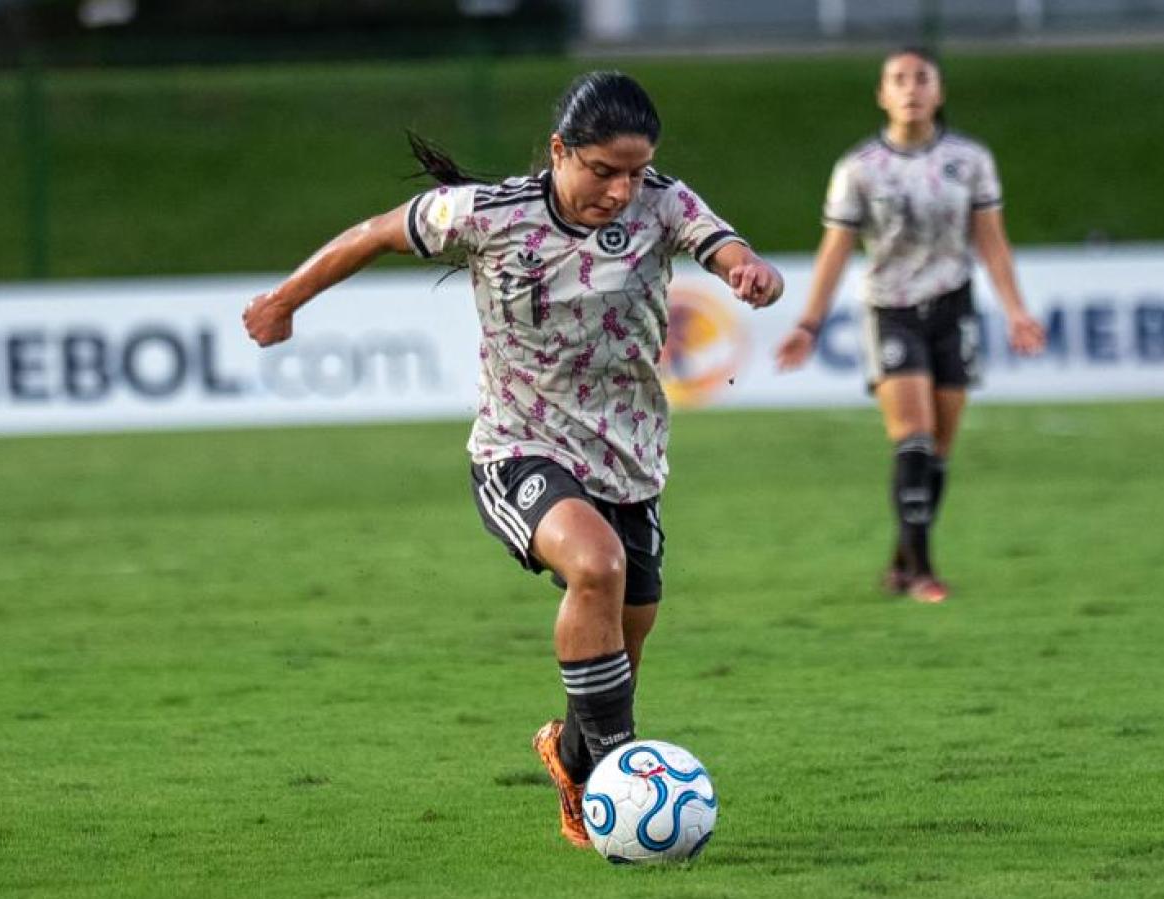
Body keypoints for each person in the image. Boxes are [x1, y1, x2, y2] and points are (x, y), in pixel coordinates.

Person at [242, 71, 783, 848]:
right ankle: (619, 780)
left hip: (630, 462)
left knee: (623, 642)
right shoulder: (488, 215)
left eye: (635, 172)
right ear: (560, 151)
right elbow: (374, 232)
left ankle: (573, 757)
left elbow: (722, 245)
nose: (621, 190)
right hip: (518, 449)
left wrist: (746, 269)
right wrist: (283, 301)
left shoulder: (662, 202)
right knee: (596, 564)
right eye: (603, 170)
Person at [774, 47, 1045, 604]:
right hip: (891, 311)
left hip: (952, 307)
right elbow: (835, 249)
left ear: (938, 92)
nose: (911, 89)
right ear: (882, 94)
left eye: (922, 78)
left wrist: (1017, 310)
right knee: (914, 437)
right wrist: (809, 322)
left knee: (939, 450)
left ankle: (901, 560)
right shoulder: (859, 168)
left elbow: (992, 241)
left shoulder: (970, 160)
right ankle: (923, 571)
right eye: (898, 79)